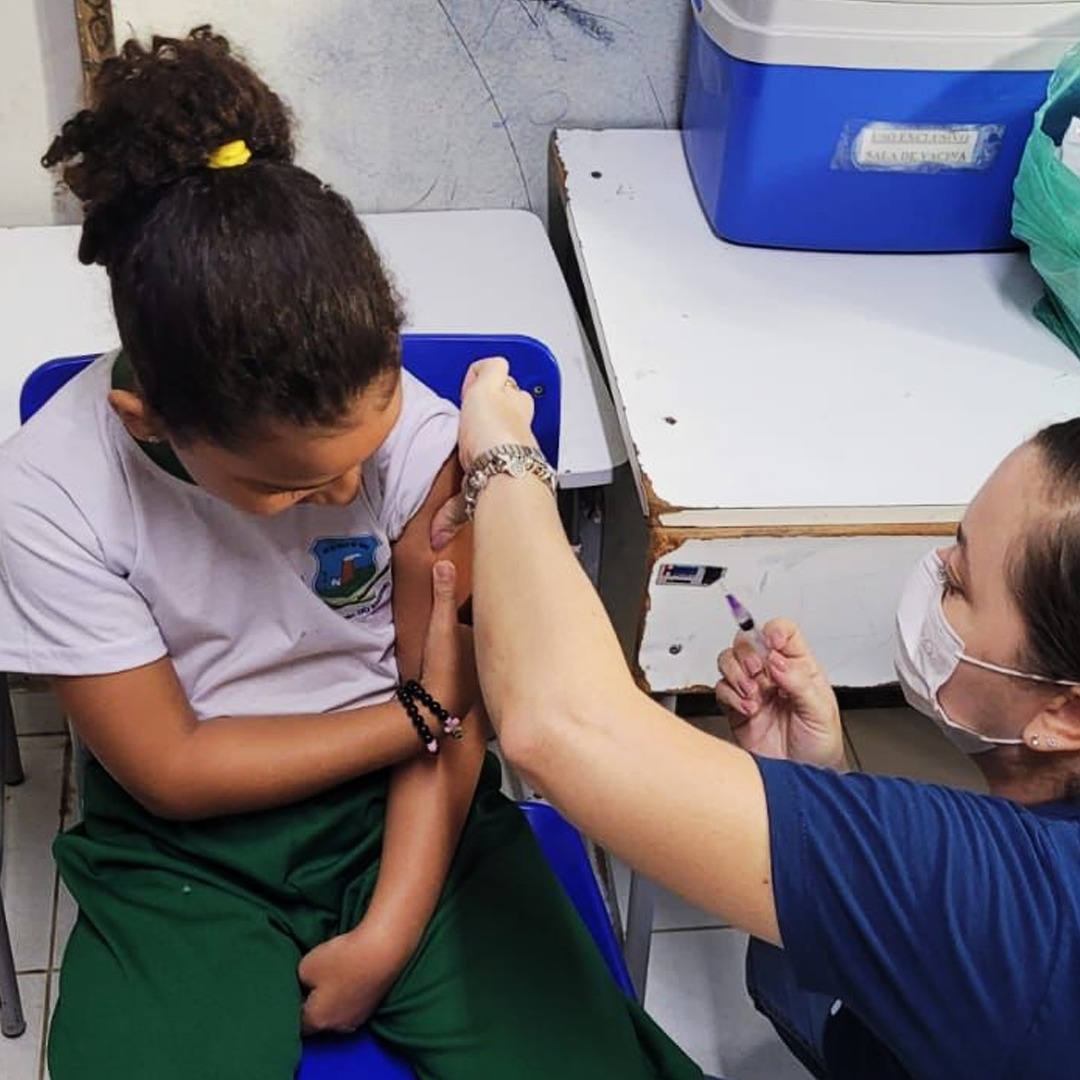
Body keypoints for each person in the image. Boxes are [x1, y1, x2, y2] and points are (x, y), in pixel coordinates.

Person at [0, 28, 704, 1080]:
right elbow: (173, 767)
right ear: (148, 421)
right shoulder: (52, 491)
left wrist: (388, 931)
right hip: (181, 857)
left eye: (361, 454)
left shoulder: (418, 446)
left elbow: (457, 727)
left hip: (414, 815)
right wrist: (415, 709)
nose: (339, 495)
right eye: (285, 484)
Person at [446, 355, 1080, 1080]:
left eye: (961, 582)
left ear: (1063, 715)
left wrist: (503, 455)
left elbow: (560, 723)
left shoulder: (1020, 907)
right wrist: (813, 786)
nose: (933, 567)